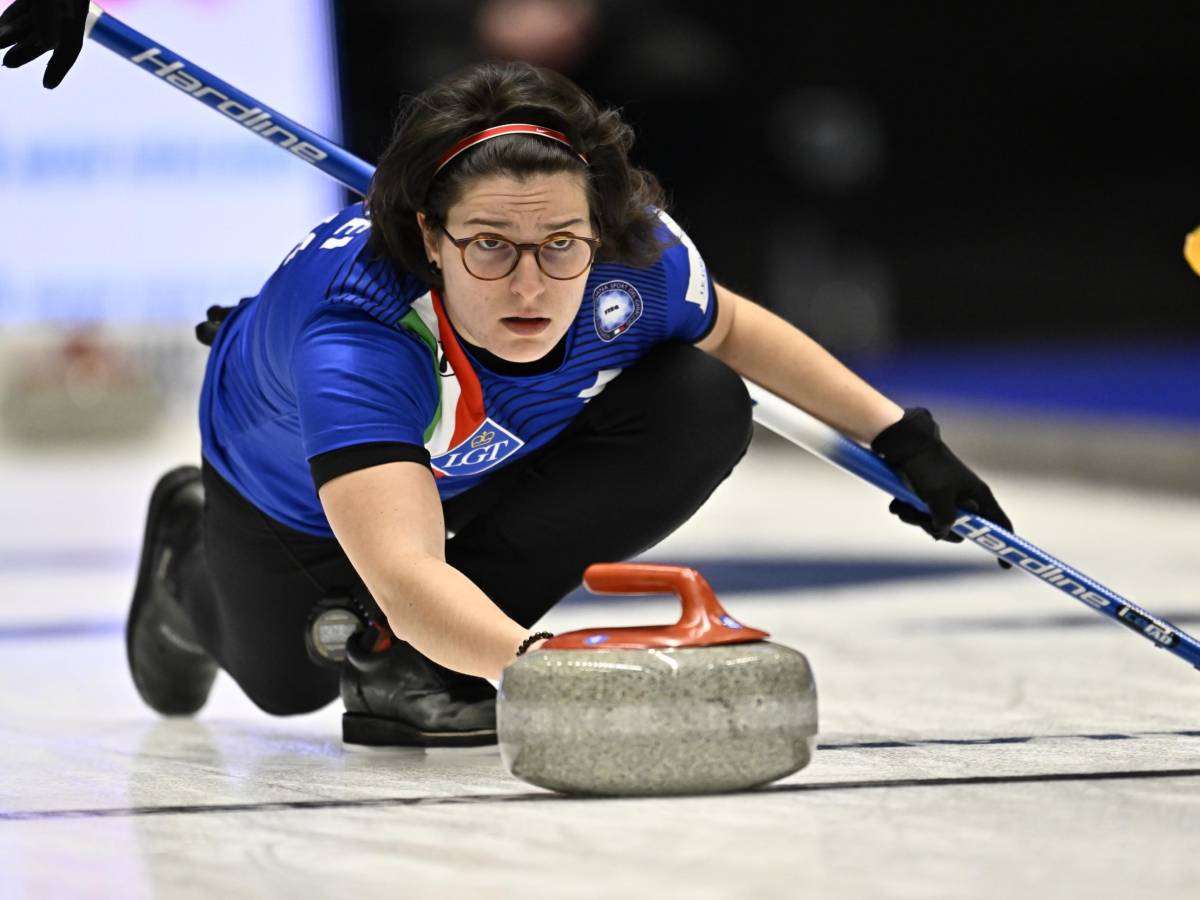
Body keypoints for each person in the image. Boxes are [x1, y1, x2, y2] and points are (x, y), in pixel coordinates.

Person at [21, 52, 1013, 745]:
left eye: (559, 245)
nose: (531, 286)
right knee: (287, 686)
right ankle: (186, 561)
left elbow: (737, 332)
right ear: (430, 236)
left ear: (597, 229)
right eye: (490, 246)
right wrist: (553, 675)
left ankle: (423, 667)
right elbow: (406, 573)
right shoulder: (361, 338)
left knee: (703, 399)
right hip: (292, 491)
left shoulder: (635, 256)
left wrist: (903, 439)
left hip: (483, 449)